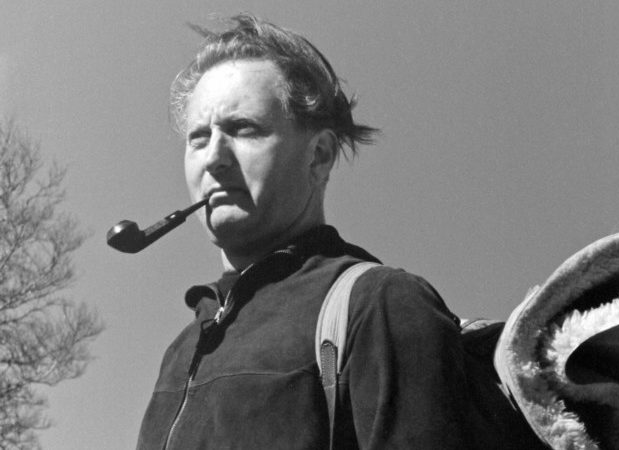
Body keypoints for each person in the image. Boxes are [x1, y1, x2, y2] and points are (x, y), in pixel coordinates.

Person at [136, 14, 538, 449]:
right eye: (198, 138)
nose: (214, 157)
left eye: (244, 129)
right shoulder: (179, 351)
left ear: (320, 156)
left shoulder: (381, 303)